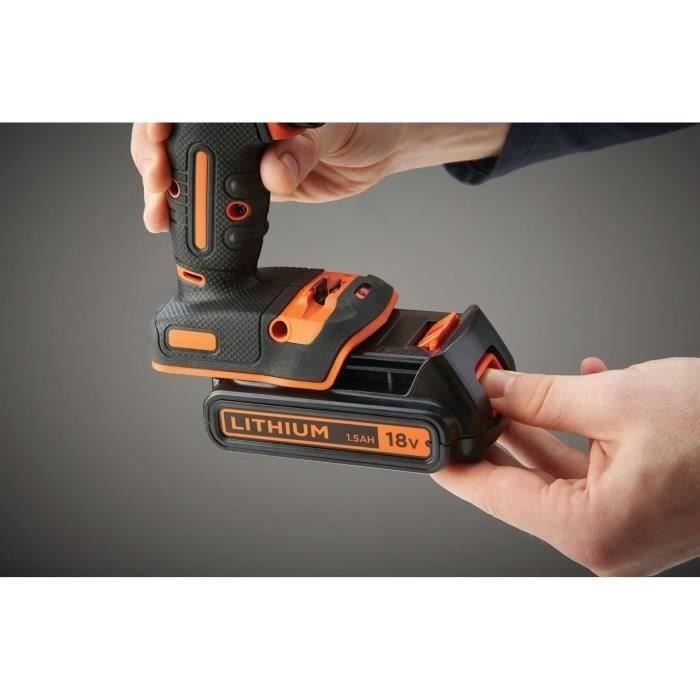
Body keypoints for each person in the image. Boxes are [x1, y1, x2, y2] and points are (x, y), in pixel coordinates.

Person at [131, 123, 700, 576]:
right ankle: (213, 296)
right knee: (212, 137)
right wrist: (403, 130)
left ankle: (217, 291)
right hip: (222, 291)